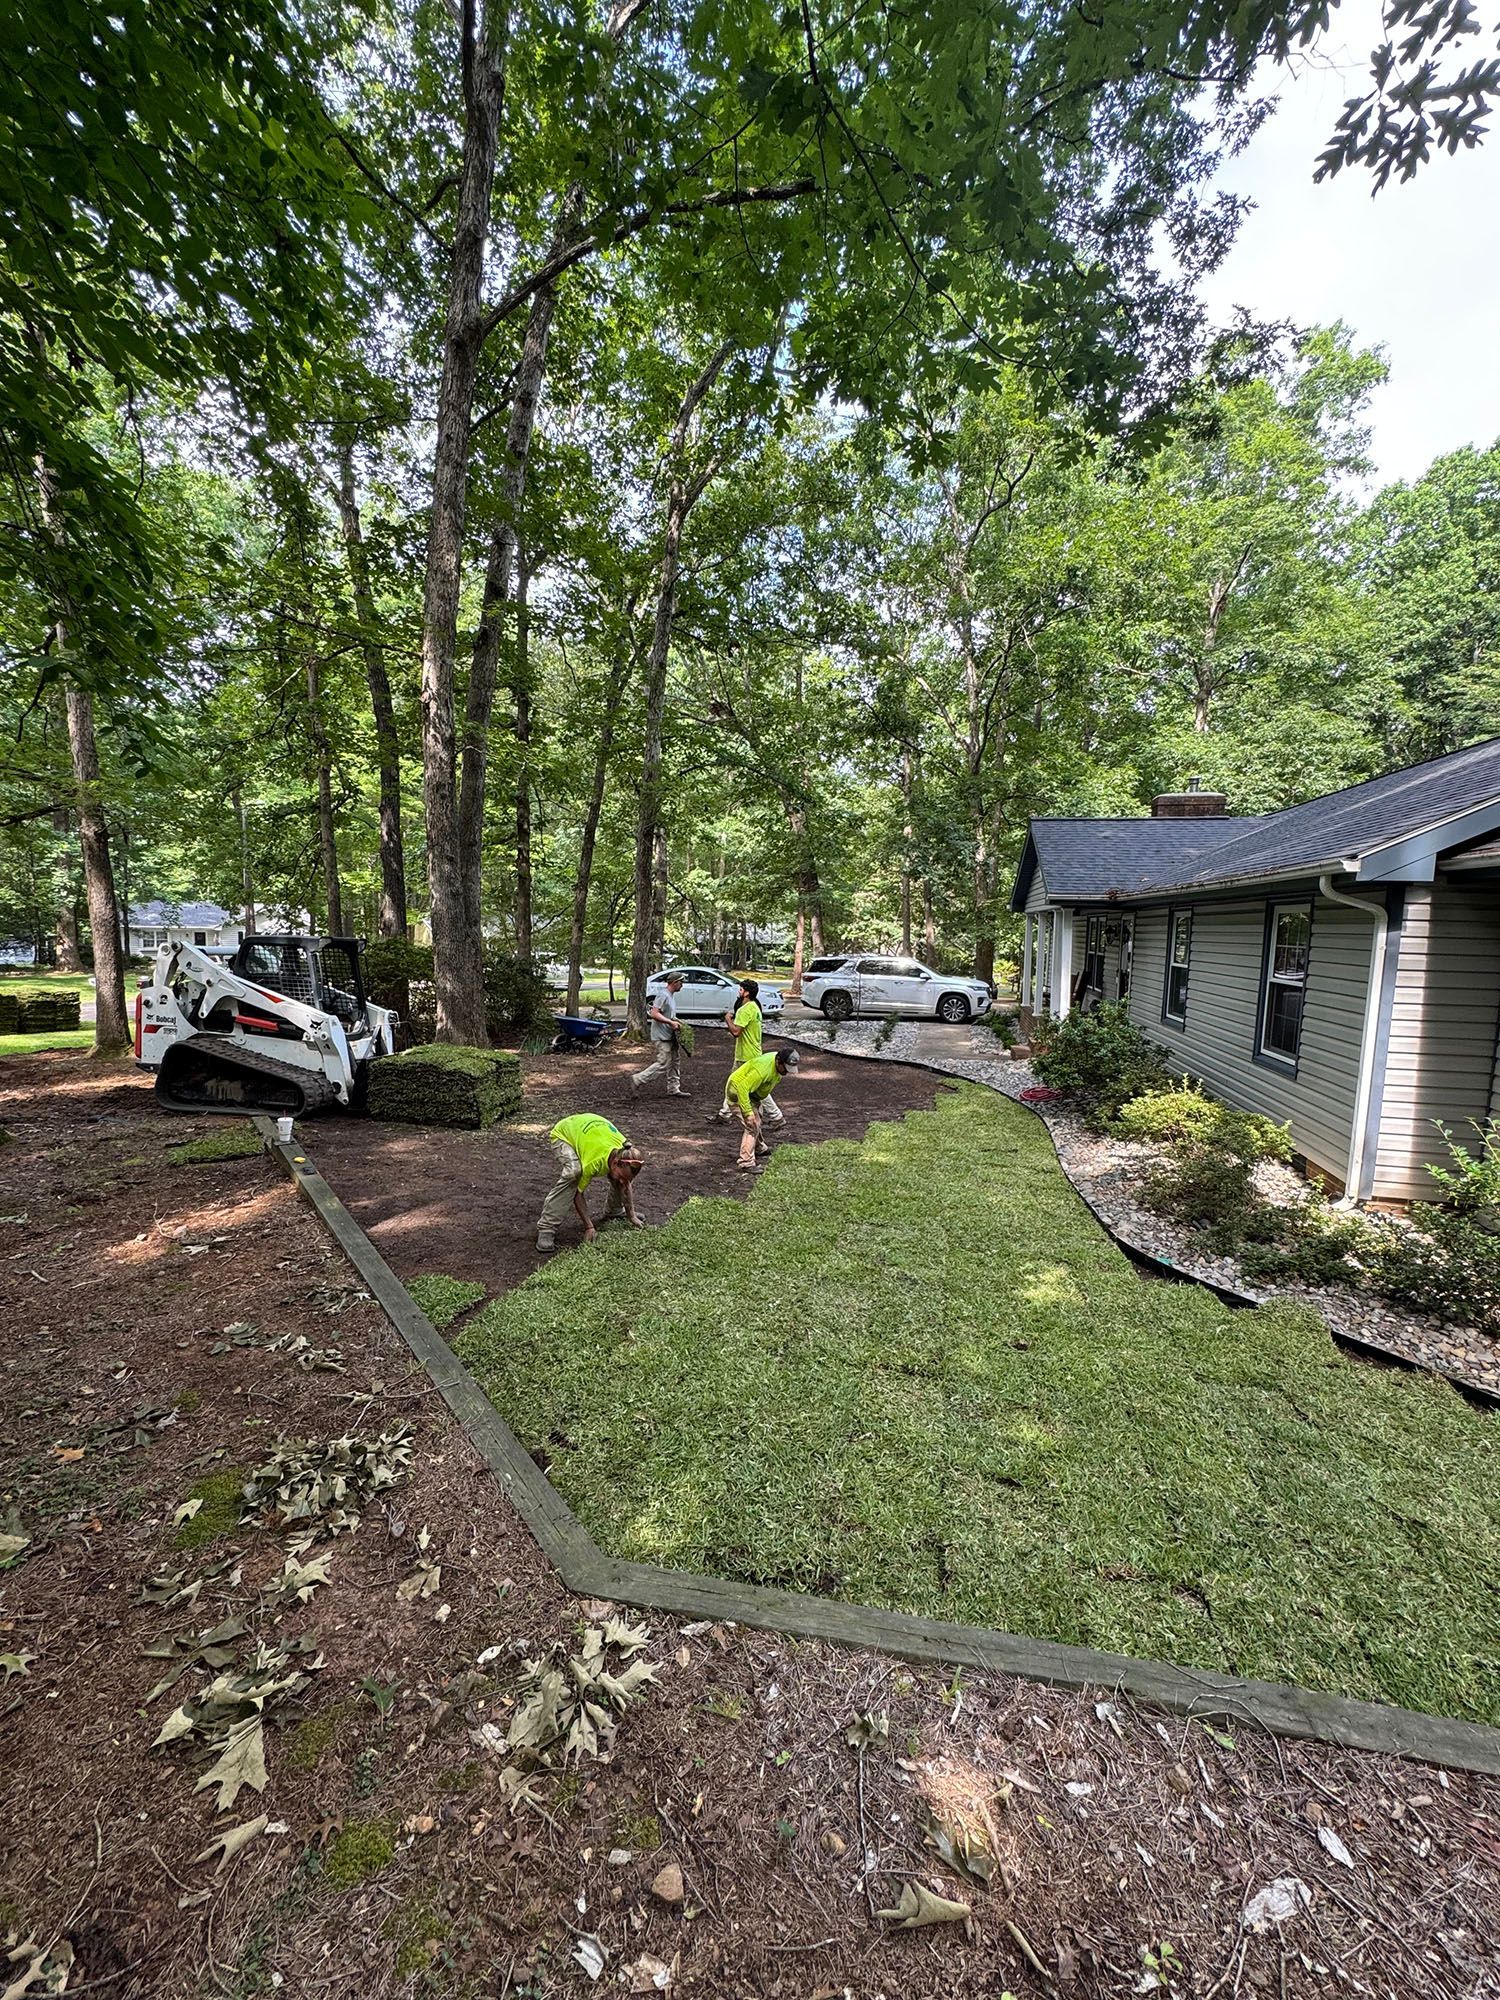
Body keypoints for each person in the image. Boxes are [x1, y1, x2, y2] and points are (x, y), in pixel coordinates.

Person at [536, 1112, 644, 1250]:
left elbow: (626, 1183)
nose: (625, 1181)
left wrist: (632, 1215)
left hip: (589, 1128)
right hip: (564, 1134)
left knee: (619, 1178)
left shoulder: (626, 1151)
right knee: (573, 1173)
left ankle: (614, 1210)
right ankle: (547, 1228)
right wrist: (589, 1226)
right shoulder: (594, 1162)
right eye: (623, 1176)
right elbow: (578, 1195)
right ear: (615, 1162)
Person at [709, 977, 782, 1129]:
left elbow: (736, 1031)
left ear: (747, 993)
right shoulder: (755, 1007)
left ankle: (776, 1116)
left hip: (745, 1056)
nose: (738, 992)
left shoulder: (745, 1009)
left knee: (749, 1087)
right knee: (733, 1082)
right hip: (753, 1052)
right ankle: (724, 1114)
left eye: (741, 989)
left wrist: (728, 1019)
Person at [726, 1046, 799, 1171]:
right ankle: (746, 1162)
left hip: (752, 1094)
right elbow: (742, 1087)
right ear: (778, 1061)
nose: (787, 1072)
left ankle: (759, 1148)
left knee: (757, 1120)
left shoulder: (777, 1063)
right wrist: (748, 1112)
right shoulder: (762, 1070)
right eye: (786, 1068)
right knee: (752, 1124)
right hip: (737, 1093)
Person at [632, 971, 688, 1096]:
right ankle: (638, 1079)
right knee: (663, 1063)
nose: (682, 985)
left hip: (670, 1035)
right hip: (662, 1036)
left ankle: (674, 1088)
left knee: (674, 1061)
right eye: (681, 982)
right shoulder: (663, 995)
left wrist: (677, 1022)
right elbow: (654, 1013)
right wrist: (670, 1022)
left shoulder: (670, 996)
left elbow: (669, 1015)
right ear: (674, 982)